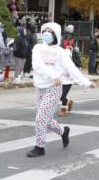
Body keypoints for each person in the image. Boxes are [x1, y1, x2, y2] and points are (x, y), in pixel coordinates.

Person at [27, 22, 95, 158]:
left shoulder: (61, 52)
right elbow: (37, 65)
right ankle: (63, 132)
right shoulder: (37, 48)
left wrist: (86, 82)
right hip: (40, 87)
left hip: (53, 88)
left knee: (40, 118)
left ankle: (39, 147)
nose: (46, 34)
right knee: (45, 119)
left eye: (49, 31)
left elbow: (71, 68)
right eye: (44, 31)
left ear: (55, 34)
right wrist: (53, 75)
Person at [58, 25, 82, 117]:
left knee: (62, 95)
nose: (68, 43)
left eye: (70, 42)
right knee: (59, 95)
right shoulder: (60, 52)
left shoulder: (73, 52)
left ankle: (64, 109)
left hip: (69, 77)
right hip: (60, 76)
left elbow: (78, 63)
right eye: (66, 41)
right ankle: (68, 101)